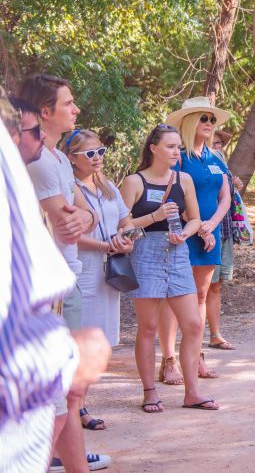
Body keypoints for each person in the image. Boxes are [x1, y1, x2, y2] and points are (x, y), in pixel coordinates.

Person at [18, 74, 112, 471]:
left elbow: (84, 211)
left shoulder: (56, 158)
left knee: (70, 394)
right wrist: (79, 216)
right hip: (47, 290)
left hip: (65, 281)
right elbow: (65, 219)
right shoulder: (38, 160)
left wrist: (84, 214)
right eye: (68, 103)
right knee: (61, 395)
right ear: (44, 111)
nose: (76, 109)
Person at [119, 124, 219, 412]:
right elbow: (122, 224)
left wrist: (186, 234)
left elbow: (195, 219)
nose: (177, 152)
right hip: (146, 254)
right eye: (171, 147)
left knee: (193, 324)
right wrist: (154, 216)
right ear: (154, 148)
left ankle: (192, 393)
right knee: (148, 328)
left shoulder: (183, 179)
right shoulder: (134, 182)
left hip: (177, 254)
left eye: (178, 147)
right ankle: (150, 392)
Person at [157, 97, 232, 380]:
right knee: (176, 296)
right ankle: (169, 359)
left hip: (209, 235)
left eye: (212, 120)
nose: (210, 124)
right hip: (184, 233)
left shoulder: (216, 159)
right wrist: (196, 224)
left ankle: (195, 355)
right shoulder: (179, 157)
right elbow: (173, 193)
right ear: (190, 122)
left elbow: (225, 197)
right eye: (204, 118)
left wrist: (211, 225)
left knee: (201, 295)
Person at [66, 129, 136, 430]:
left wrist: (126, 238)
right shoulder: (69, 188)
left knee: (98, 341)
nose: (98, 158)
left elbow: (125, 219)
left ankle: (79, 401)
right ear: (72, 158)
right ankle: (77, 408)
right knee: (80, 341)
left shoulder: (108, 187)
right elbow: (70, 234)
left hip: (110, 272)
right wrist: (104, 245)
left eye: (101, 152)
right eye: (90, 154)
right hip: (84, 269)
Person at [207, 129, 242, 350]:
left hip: (224, 230)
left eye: (218, 143)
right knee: (198, 286)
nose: (216, 147)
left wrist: (234, 186)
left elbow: (226, 199)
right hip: (204, 229)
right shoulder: (190, 161)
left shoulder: (222, 164)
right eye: (213, 143)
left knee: (216, 285)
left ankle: (214, 334)